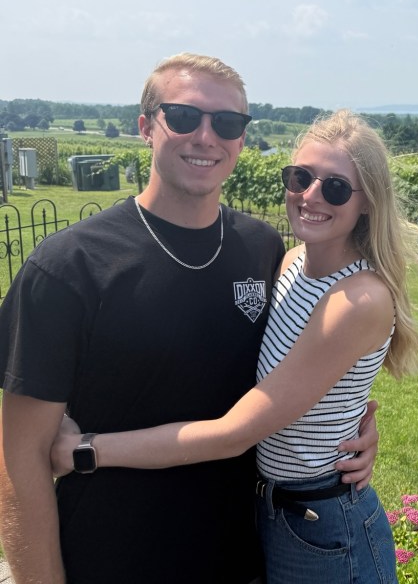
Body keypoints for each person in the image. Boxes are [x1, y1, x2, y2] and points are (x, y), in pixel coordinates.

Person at [0, 54, 379, 584]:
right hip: (111, 560)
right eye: (182, 116)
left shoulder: (262, 249)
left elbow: (298, 369)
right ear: (145, 127)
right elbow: (19, 461)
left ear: (242, 139)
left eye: (226, 123)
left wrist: (356, 421)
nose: (206, 136)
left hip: (242, 557)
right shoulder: (68, 269)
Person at [51, 109, 418, 583]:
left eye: (335, 188)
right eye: (300, 178)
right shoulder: (291, 261)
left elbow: (235, 432)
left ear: (368, 203)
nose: (310, 196)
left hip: (321, 525)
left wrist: (87, 449)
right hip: (272, 509)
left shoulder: (356, 300)